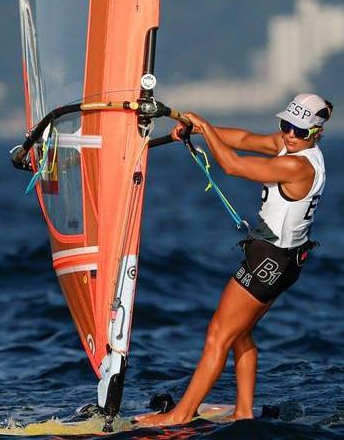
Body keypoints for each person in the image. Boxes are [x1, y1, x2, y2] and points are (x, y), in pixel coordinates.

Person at [136, 93, 332, 426]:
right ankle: (243, 412)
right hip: (282, 262)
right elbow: (242, 139)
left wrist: (204, 129)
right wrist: (197, 127)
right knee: (240, 334)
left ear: (315, 134)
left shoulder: (298, 164)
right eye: (286, 125)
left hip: (271, 263)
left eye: (300, 131)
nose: (289, 135)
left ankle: (180, 416)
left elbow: (233, 165)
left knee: (218, 334)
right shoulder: (290, 147)